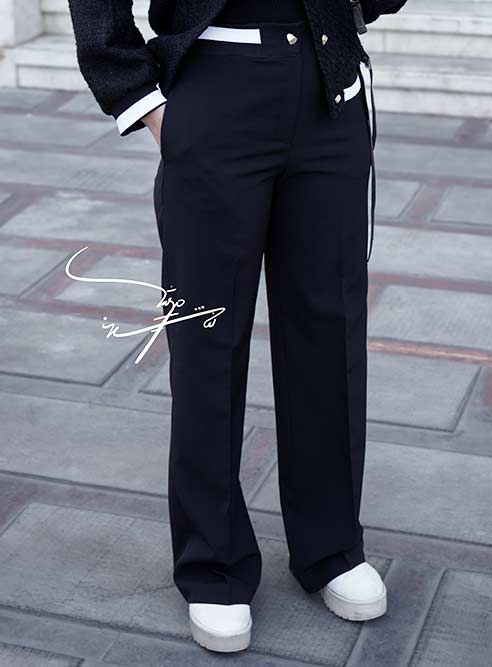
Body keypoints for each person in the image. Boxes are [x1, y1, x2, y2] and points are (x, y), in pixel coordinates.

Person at [68, 0, 408, 653]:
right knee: (207, 341)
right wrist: (138, 96)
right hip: (214, 82)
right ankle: (214, 564)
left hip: (330, 86)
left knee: (329, 331)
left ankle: (332, 546)